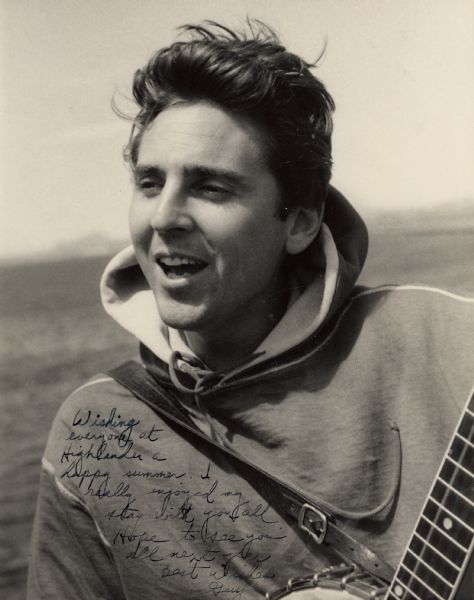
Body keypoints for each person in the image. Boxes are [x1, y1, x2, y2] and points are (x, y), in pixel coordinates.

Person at [27, 21, 473, 600]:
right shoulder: (93, 432)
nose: (164, 217)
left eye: (211, 187)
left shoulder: (446, 343)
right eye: (148, 182)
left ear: (300, 222)